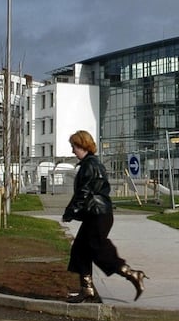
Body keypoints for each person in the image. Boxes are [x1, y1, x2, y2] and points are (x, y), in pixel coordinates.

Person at [62, 130, 147, 303]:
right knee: (80, 250)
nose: (72, 151)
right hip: (96, 214)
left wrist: (70, 212)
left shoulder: (90, 165)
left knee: (99, 250)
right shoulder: (90, 163)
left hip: (98, 215)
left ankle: (132, 274)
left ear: (82, 146)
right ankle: (87, 290)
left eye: (74, 147)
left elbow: (84, 192)